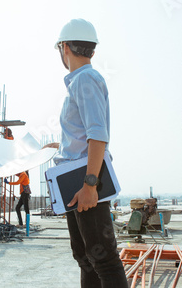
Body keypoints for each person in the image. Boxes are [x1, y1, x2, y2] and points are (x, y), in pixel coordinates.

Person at [44, 19, 128, 287]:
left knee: (104, 260)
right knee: (85, 258)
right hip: (76, 183)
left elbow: (98, 134)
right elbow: (84, 136)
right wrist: (59, 147)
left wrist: (91, 184)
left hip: (85, 183)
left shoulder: (85, 79)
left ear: (64, 47)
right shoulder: (81, 81)